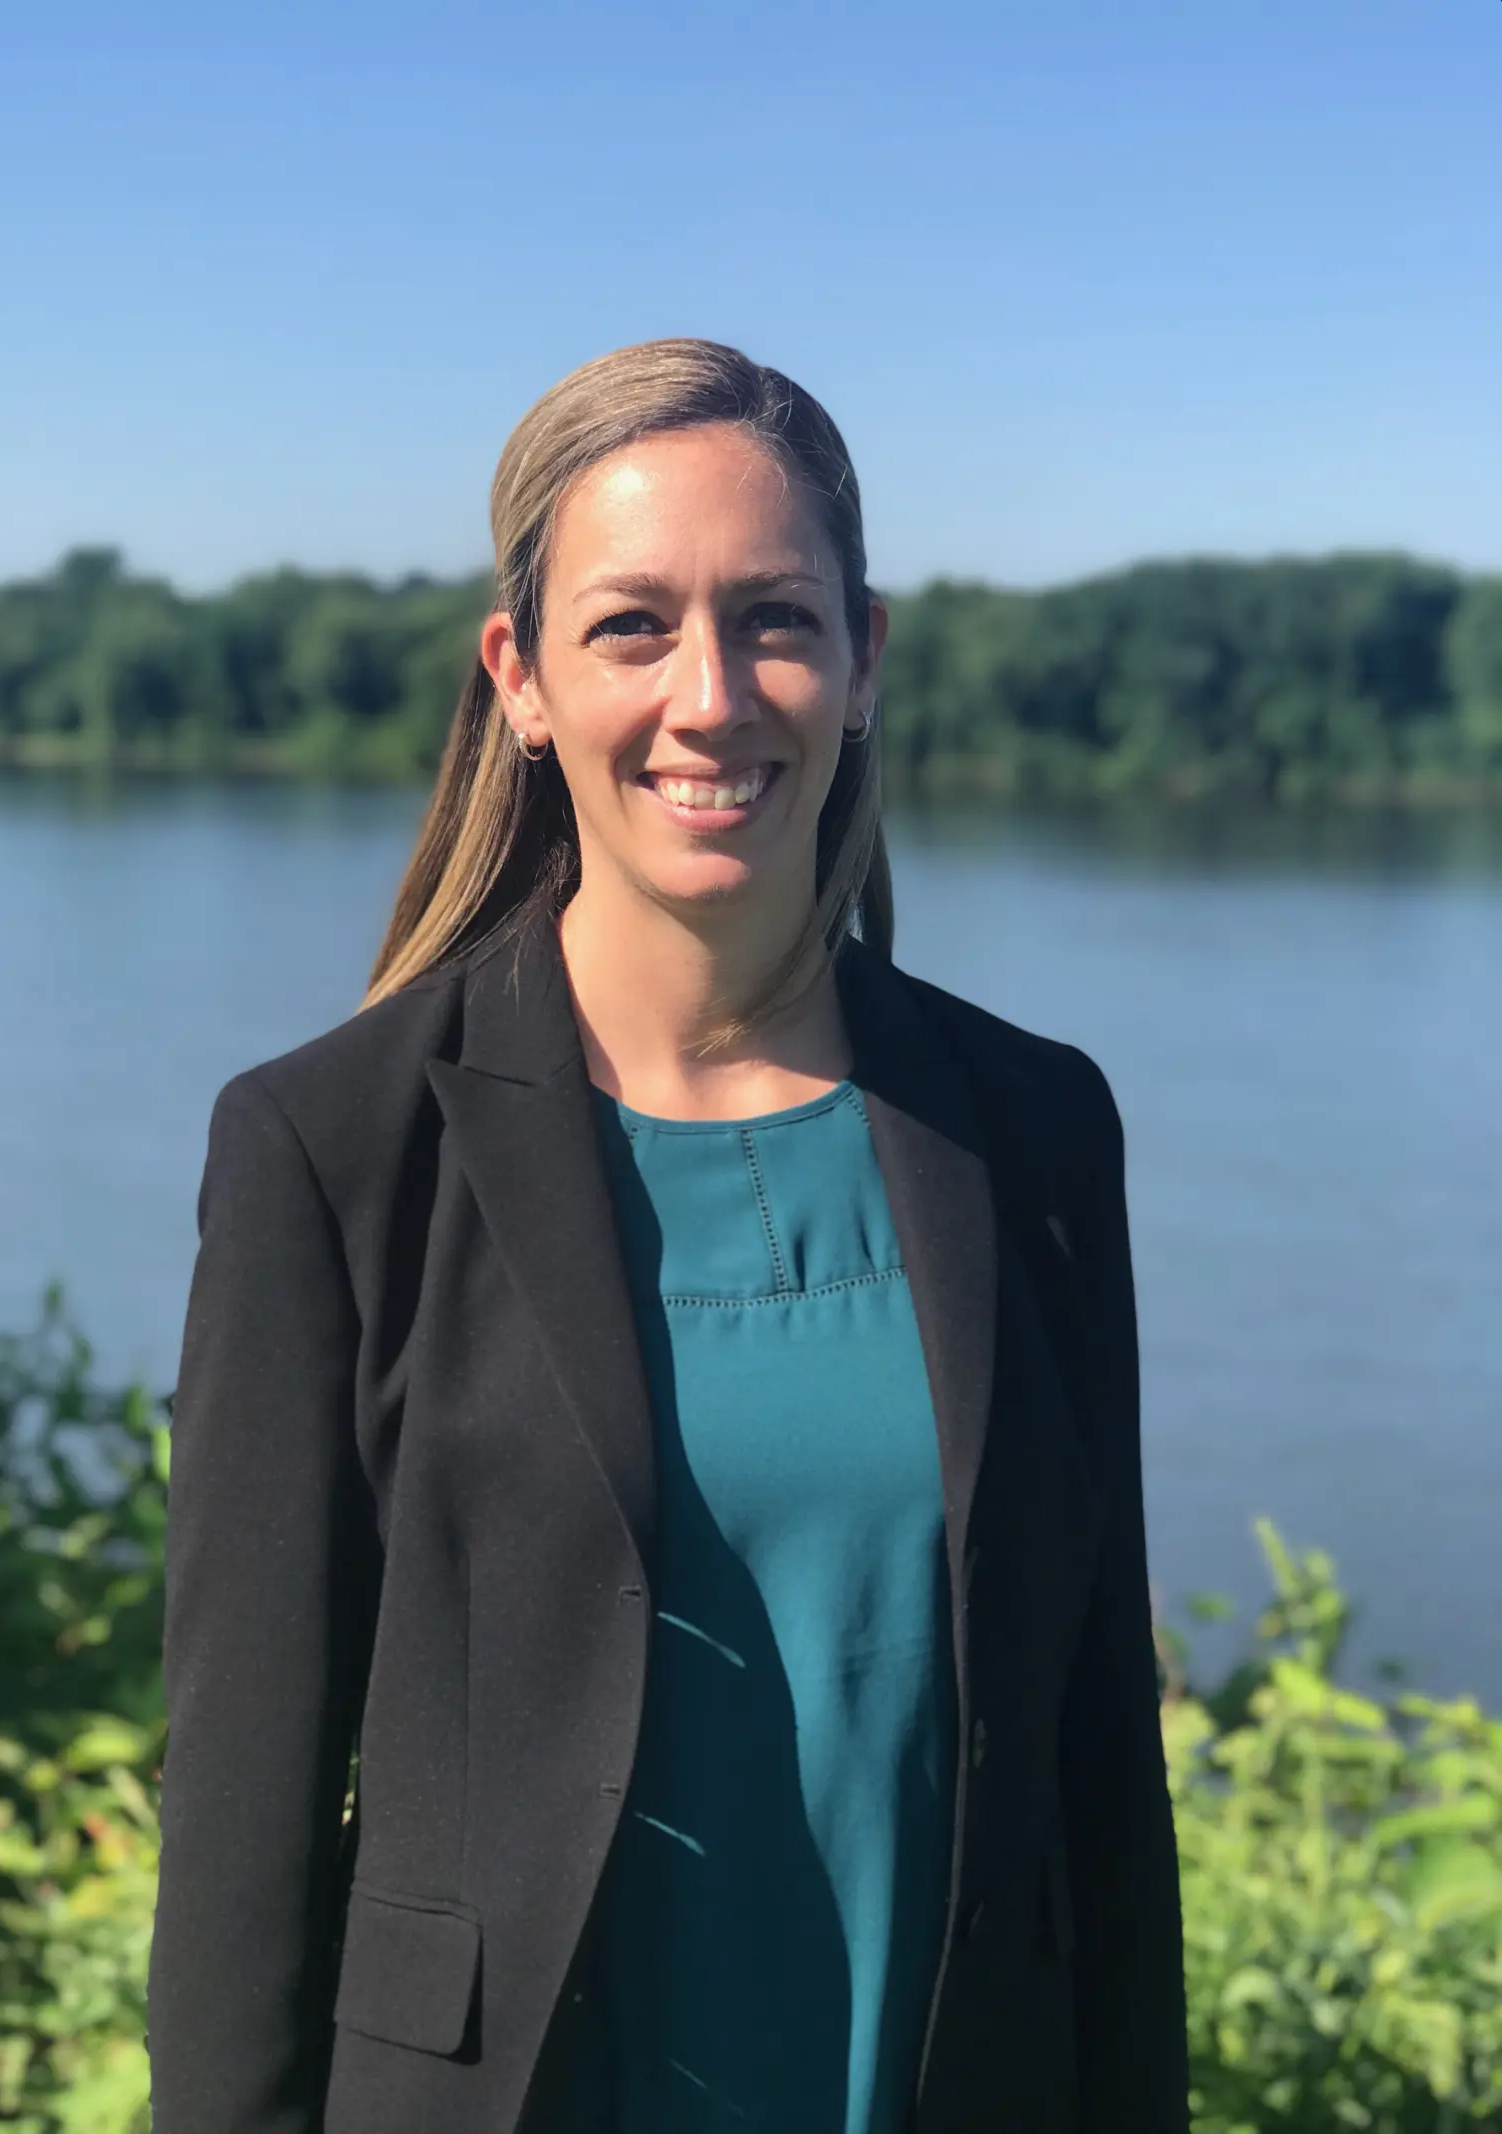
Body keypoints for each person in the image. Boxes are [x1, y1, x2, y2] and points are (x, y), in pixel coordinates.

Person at [146, 338, 1189, 2134]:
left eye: (775, 617)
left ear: (865, 660)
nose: (711, 694)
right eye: (633, 624)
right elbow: (239, 1840)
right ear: (523, 680)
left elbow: (1104, 1771)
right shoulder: (331, 1151)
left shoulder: (1032, 1129)